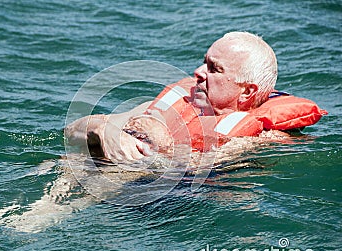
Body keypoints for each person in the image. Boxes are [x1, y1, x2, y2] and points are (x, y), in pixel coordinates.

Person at [65, 31, 278, 162]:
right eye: (204, 62)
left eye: (214, 69)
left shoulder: (261, 139)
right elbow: (71, 131)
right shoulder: (166, 108)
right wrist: (103, 129)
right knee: (70, 163)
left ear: (247, 91)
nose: (198, 71)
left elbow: (196, 167)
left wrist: (150, 144)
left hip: (161, 208)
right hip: (96, 174)